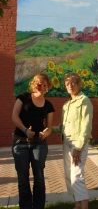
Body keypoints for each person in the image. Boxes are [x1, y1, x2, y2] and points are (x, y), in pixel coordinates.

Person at [12, 73, 55, 209]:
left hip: (39, 144)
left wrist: (46, 133)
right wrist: (25, 130)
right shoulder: (23, 97)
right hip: (21, 143)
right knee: (23, 179)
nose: (41, 87)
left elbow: (49, 127)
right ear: (33, 84)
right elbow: (14, 116)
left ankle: (38, 206)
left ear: (48, 87)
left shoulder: (48, 105)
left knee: (39, 179)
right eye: (39, 85)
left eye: (44, 85)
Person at [52, 72, 93, 209]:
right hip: (66, 142)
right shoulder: (66, 104)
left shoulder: (84, 101)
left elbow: (86, 126)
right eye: (67, 83)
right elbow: (62, 126)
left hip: (78, 143)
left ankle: (84, 205)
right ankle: (77, 204)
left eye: (73, 83)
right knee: (69, 175)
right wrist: (49, 130)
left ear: (79, 84)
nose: (70, 85)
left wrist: (78, 148)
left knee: (77, 175)